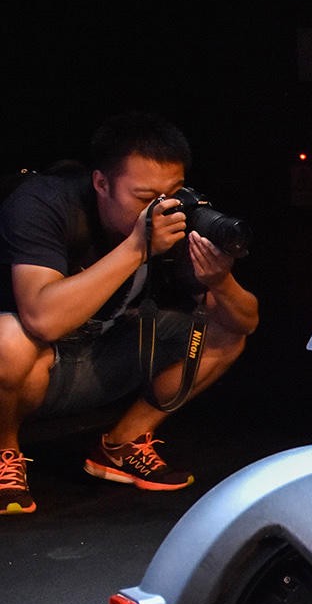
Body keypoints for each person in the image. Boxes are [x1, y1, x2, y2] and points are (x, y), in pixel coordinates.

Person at [0, 112, 258, 515]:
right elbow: (41, 319)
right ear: (101, 183)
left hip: (100, 353)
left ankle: (121, 445)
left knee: (224, 330)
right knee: (9, 339)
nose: (160, 208)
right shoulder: (44, 202)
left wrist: (221, 280)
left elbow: (245, 323)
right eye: (144, 197)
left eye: (172, 193)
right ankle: (4, 453)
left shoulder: (177, 216)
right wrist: (138, 247)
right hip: (29, 364)